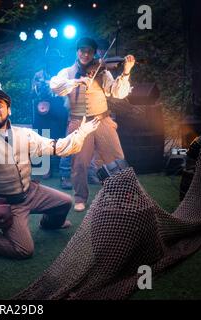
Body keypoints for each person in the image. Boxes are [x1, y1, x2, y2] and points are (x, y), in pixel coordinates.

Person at [0, 89, 99, 259]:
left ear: (8, 110)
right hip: (8, 204)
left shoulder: (24, 134)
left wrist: (82, 132)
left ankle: (48, 224)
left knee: (65, 202)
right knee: (23, 250)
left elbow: (57, 147)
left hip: (32, 193)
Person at [50, 37, 135, 212]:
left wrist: (126, 72)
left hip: (103, 119)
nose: (85, 54)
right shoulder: (67, 72)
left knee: (116, 158)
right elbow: (55, 87)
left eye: (89, 51)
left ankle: (122, 195)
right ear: (77, 51)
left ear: (94, 53)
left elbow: (117, 93)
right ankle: (80, 197)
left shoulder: (102, 72)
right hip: (78, 122)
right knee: (79, 163)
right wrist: (77, 81)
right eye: (82, 50)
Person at [31, 48, 71, 186]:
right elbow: (33, 93)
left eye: (56, 59)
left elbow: (67, 92)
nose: (53, 61)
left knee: (60, 137)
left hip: (59, 108)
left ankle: (63, 171)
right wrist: (41, 90)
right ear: (47, 61)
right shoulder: (39, 74)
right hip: (43, 109)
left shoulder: (63, 74)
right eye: (51, 59)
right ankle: (45, 167)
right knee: (43, 136)